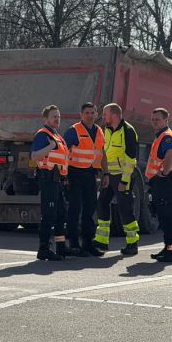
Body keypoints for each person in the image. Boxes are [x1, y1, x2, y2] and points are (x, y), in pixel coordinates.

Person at [90, 103, 141, 257]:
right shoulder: (106, 130)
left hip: (122, 176)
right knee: (102, 204)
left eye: (105, 114)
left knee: (125, 209)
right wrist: (105, 173)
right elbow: (105, 153)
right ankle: (102, 240)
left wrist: (124, 181)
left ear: (114, 115)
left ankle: (132, 243)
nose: (103, 117)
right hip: (109, 175)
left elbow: (131, 160)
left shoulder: (128, 131)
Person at [63, 102, 108, 256]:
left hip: (90, 175)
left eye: (92, 112)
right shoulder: (74, 131)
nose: (89, 115)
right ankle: (74, 244)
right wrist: (64, 174)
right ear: (81, 115)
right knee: (74, 210)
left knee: (90, 210)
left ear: (96, 114)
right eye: (86, 113)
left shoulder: (99, 131)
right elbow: (63, 152)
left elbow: (102, 154)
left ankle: (88, 244)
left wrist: (106, 174)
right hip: (74, 174)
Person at [30, 105, 69, 261]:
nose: (57, 119)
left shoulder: (57, 135)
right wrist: (51, 146)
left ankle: (61, 247)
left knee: (61, 214)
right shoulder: (43, 134)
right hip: (48, 179)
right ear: (45, 119)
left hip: (57, 180)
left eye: (58, 116)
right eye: (54, 116)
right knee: (49, 214)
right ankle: (44, 248)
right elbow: (34, 156)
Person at [146, 108, 172, 263]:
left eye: (157, 119)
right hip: (161, 180)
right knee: (162, 214)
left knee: (166, 215)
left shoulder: (166, 137)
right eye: (153, 119)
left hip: (166, 180)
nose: (154, 122)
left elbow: (170, 155)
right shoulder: (161, 135)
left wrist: (164, 173)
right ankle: (168, 248)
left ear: (166, 120)